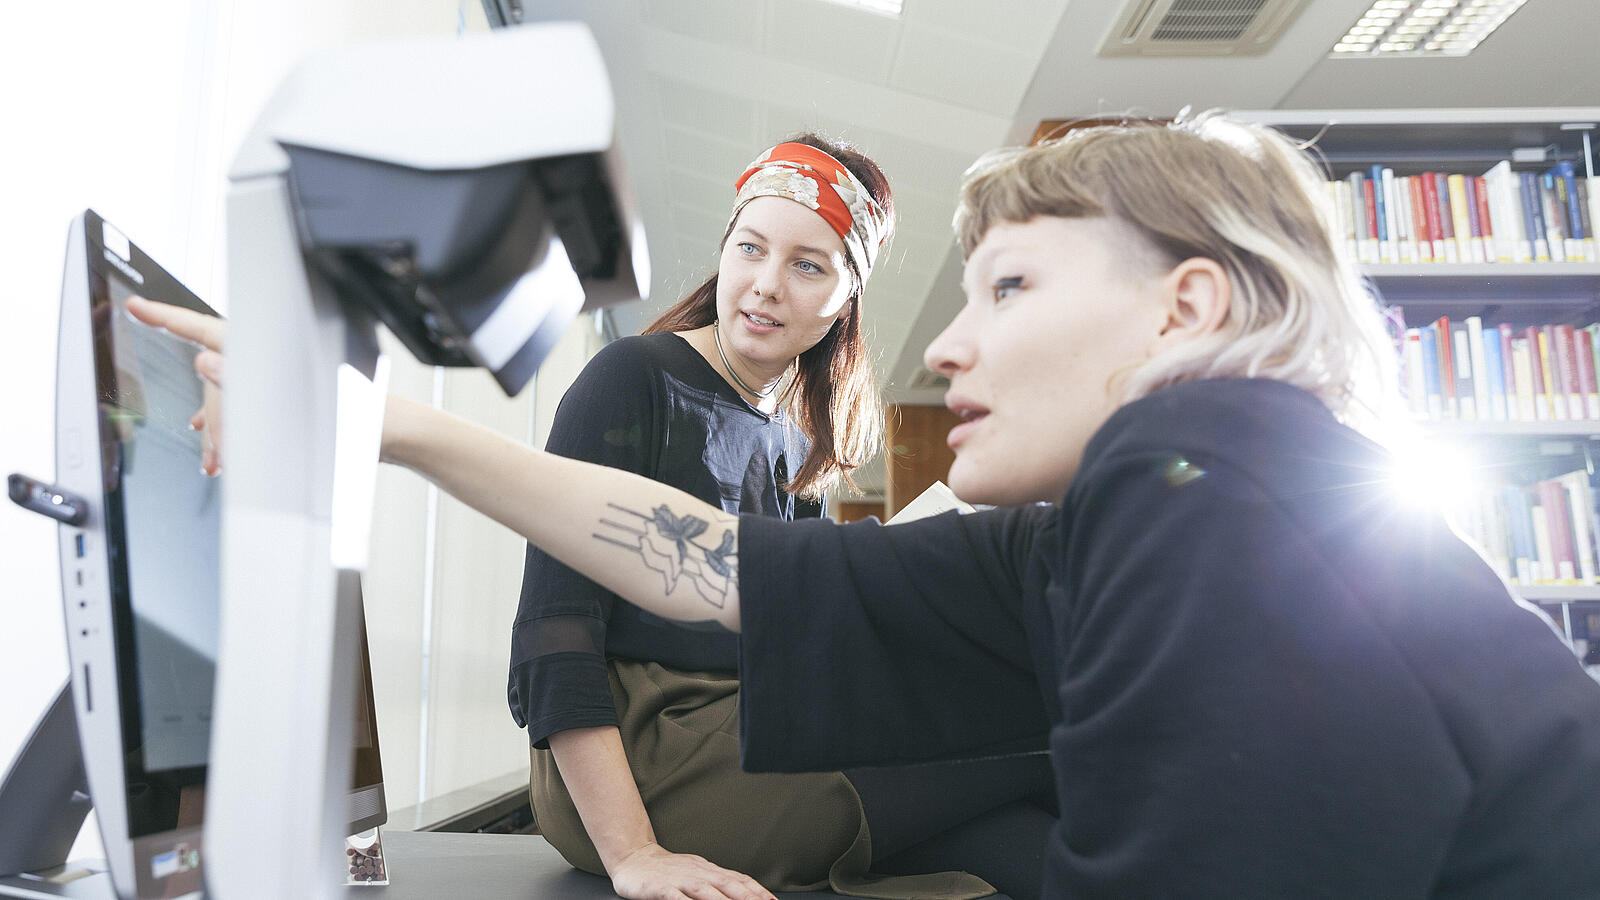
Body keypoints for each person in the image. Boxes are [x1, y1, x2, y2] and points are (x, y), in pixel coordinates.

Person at [134, 111, 1600, 897]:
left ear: (1185, 307)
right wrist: (381, 424)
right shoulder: (1138, 516)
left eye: (1010, 289)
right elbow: (712, 569)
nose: (949, 347)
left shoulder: (1204, 494)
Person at [132, 135, 1056, 900]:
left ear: (843, 299)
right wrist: (633, 854)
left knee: (1029, 840)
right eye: (751, 247)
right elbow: (555, 631)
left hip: (754, 736)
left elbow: (795, 629)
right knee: (1038, 741)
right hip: (647, 766)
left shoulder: (792, 446)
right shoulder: (637, 380)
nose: (767, 283)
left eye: (807, 264)